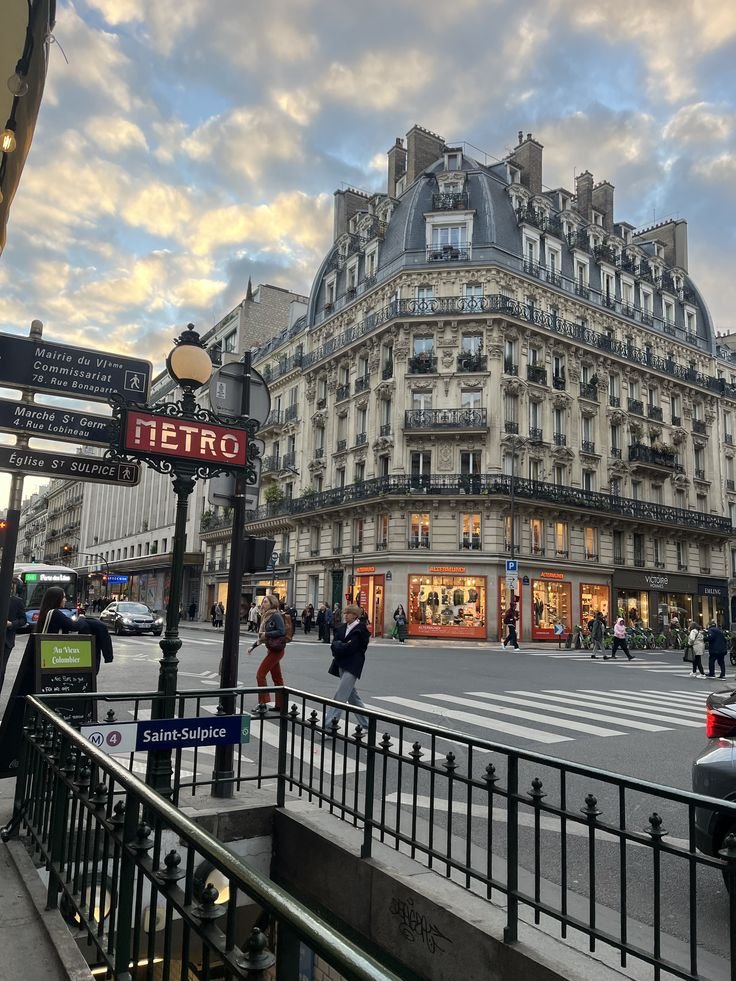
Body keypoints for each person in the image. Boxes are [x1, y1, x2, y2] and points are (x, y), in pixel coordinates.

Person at [324, 604, 369, 733]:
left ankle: (329, 727)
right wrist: (341, 646)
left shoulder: (361, 629)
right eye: (345, 613)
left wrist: (340, 646)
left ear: (355, 615)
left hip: (353, 665)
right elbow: (334, 644)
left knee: (340, 695)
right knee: (352, 696)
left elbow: (352, 648)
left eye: (348, 613)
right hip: (341, 663)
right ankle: (367, 724)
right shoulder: (343, 628)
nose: (345, 616)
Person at [248, 595, 287, 712]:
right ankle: (280, 705)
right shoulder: (267, 616)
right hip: (272, 649)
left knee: (260, 674)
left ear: (272, 603)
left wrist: (267, 634)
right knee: (277, 678)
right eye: (263, 602)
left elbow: (281, 631)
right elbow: (263, 636)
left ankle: (262, 703)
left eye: (265, 602)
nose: (263, 604)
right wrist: (253, 646)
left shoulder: (276, 615)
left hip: (277, 650)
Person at [1, 588, 27, 694]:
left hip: (6, 641)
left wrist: (11, 624)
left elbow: (23, 620)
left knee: (1, 671)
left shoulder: (16, 601)